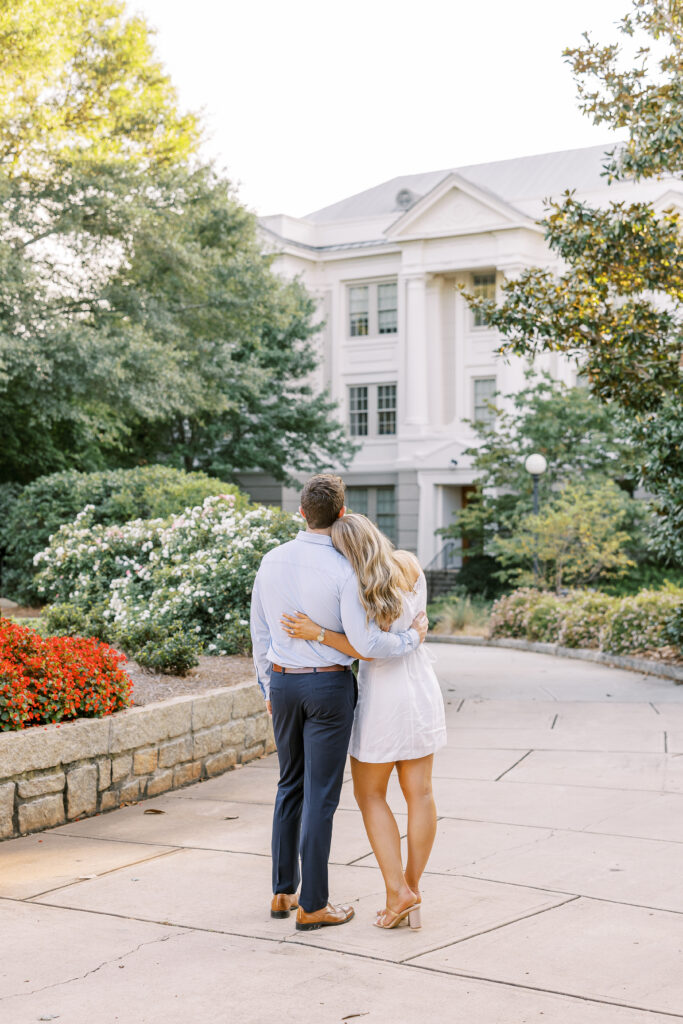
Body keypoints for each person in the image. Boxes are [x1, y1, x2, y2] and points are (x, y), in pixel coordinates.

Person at [250, 475, 428, 932]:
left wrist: (269, 688)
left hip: (284, 687)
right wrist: (412, 637)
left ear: (302, 513)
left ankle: (282, 891)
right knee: (321, 798)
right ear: (342, 514)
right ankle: (314, 905)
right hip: (329, 688)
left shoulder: (270, 562)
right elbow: (366, 643)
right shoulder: (343, 570)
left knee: (289, 785)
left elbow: (261, 635)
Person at [281, 513, 446, 931]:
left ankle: (399, 892)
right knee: (420, 793)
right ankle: (409, 890)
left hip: (385, 698)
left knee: (371, 795)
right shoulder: (408, 564)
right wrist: (415, 632)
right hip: (421, 686)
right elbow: (415, 627)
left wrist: (316, 633)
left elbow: (366, 648)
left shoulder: (360, 583)